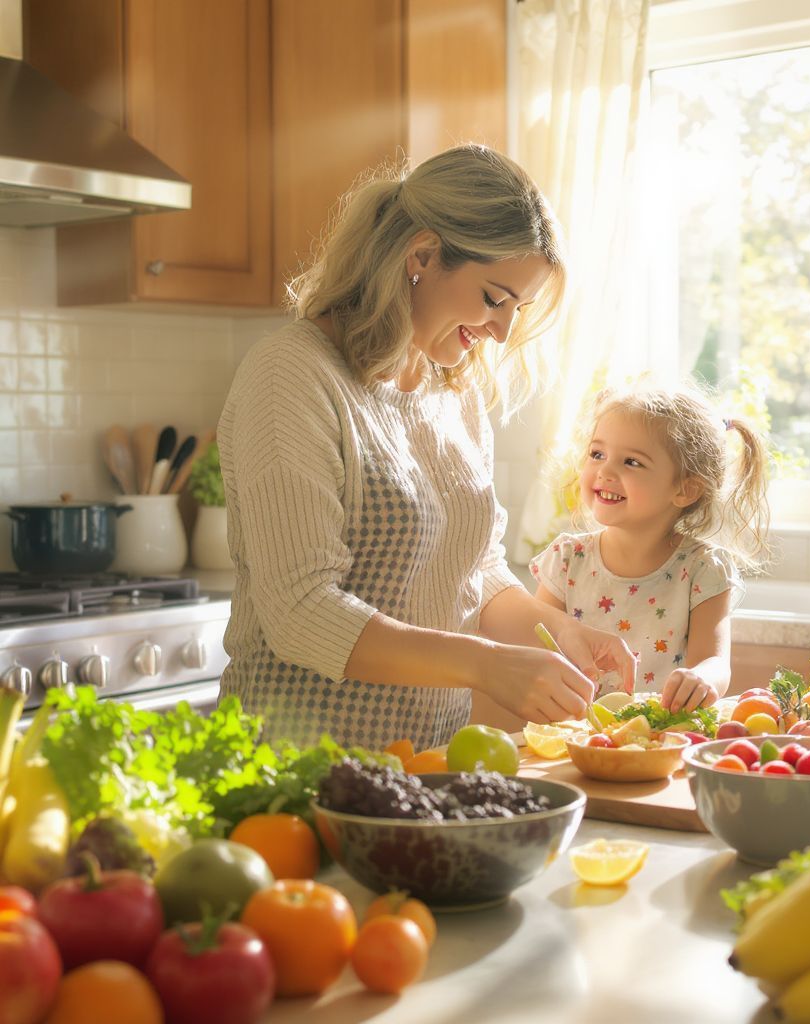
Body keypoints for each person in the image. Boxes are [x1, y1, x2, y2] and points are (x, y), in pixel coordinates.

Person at [217, 144, 636, 750]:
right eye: (494, 298)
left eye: (518, 309)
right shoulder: (292, 374)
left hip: (424, 759)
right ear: (421, 256)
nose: (502, 332)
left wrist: (560, 631)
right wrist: (485, 664)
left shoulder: (452, 392)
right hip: (295, 763)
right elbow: (302, 612)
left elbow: (475, 571)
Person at [529, 385, 771, 712]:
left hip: (657, 732)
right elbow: (534, 643)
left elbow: (715, 662)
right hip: (574, 729)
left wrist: (702, 678)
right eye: (597, 454)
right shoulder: (567, 559)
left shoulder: (703, 569)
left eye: (632, 462)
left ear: (685, 489)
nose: (605, 471)